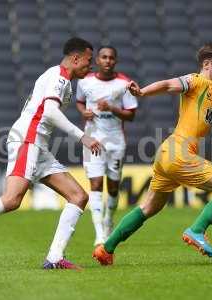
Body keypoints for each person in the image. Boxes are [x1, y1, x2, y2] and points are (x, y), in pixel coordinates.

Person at [93, 42, 212, 265]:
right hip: (179, 153)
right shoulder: (196, 81)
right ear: (207, 64)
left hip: (167, 154)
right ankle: (197, 230)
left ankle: (106, 249)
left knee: (149, 207)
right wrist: (142, 92)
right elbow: (168, 85)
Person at [0, 37, 102, 270]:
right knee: (11, 200)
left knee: (78, 197)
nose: (90, 65)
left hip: (37, 145)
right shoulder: (59, 77)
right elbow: (51, 112)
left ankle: (54, 258)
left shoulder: (59, 78)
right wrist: (83, 136)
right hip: (28, 141)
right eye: (88, 59)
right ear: (75, 58)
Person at [76, 46, 138, 247]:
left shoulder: (123, 84)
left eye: (111, 57)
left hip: (116, 141)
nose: (108, 61)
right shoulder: (85, 82)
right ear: (97, 60)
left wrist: (111, 108)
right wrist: (83, 112)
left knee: (112, 187)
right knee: (95, 185)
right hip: (93, 138)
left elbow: (131, 115)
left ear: (115, 61)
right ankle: (99, 233)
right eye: (104, 57)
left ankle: (108, 219)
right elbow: (79, 102)